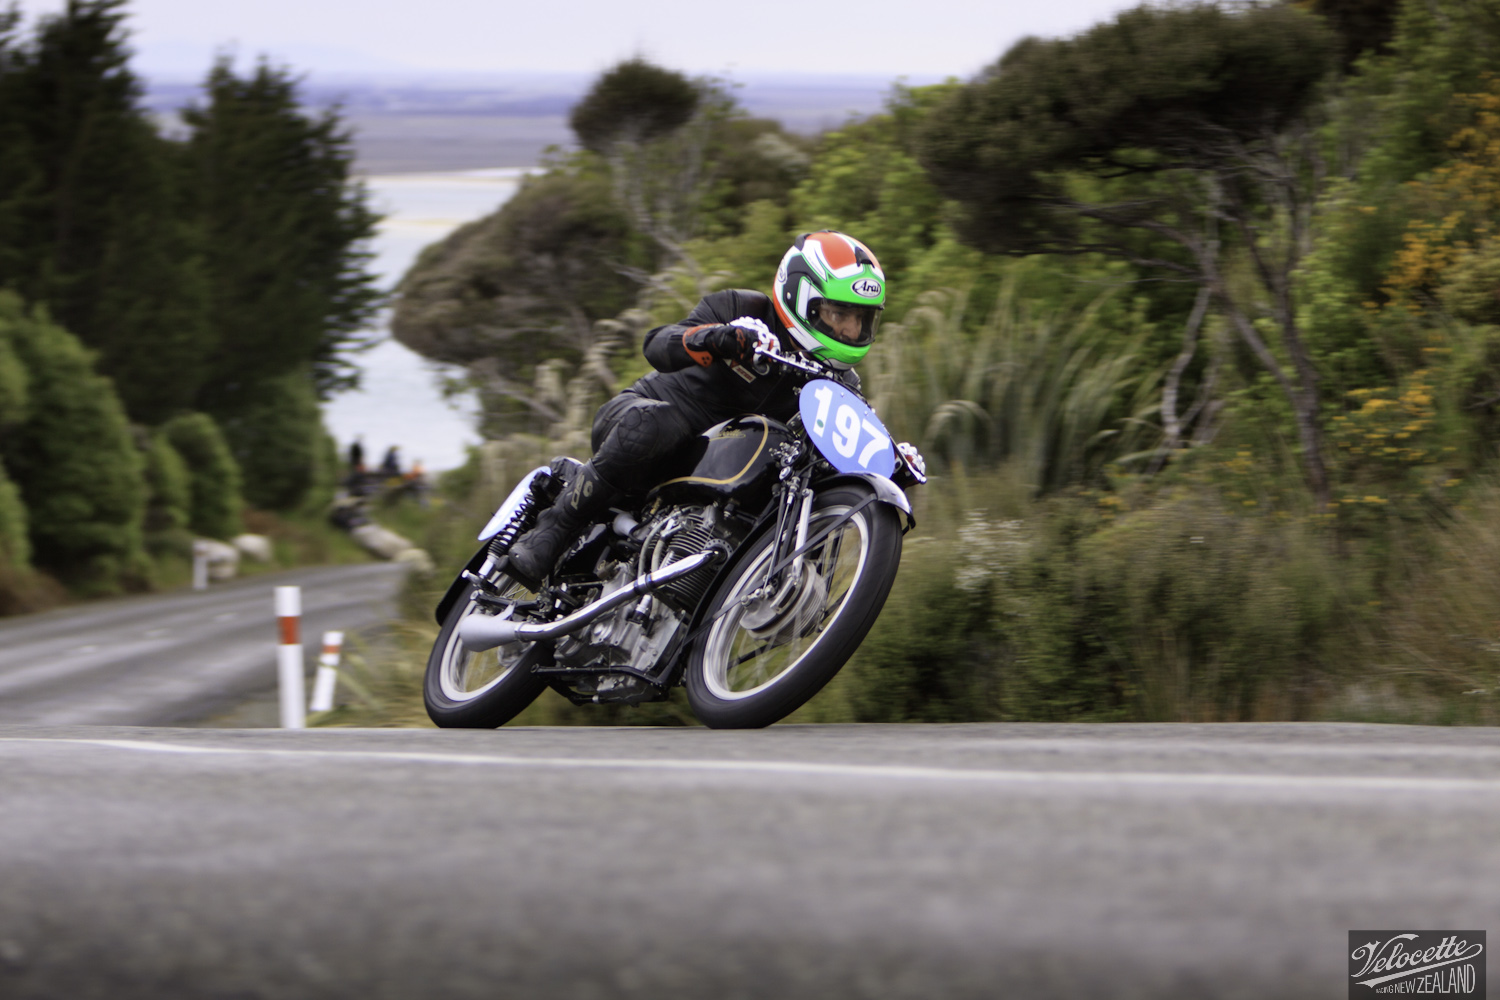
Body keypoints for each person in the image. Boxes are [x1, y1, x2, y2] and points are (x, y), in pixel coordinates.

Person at [505, 231, 903, 589]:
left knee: (799, 485)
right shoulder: (743, 308)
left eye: (861, 318)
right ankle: (553, 529)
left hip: (716, 470)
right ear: (802, 299)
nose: (851, 330)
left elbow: (846, 444)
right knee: (655, 424)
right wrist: (720, 339)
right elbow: (656, 344)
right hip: (639, 420)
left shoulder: (841, 385)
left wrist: (888, 463)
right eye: (839, 313)